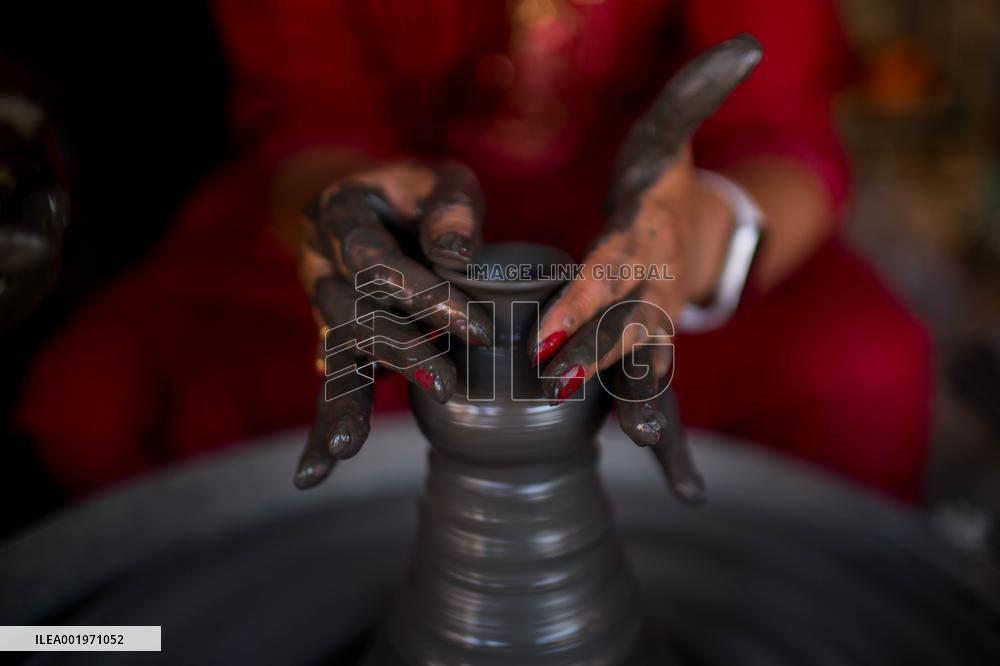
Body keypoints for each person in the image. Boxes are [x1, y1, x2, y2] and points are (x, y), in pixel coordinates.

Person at [16, 0, 930, 501]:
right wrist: (344, 214)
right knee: (100, 397)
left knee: (866, 377)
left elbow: (786, 138)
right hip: (401, 217)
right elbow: (309, 121)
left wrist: (684, 242)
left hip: (648, 229)